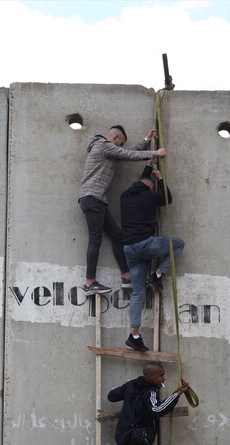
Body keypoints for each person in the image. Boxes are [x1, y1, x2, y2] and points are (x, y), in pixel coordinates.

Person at [78, 125, 166, 296]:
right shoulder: (102, 145)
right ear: (115, 138)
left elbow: (129, 152)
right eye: (121, 143)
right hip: (91, 198)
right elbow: (128, 154)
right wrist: (156, 153)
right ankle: (90, 282)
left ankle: (126, 277)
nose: (121, 146)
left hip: (98, 201)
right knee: (95, 240)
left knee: (118, 236)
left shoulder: (109, 150)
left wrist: (146, 140)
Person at [120, 160, 184, 352]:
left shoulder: (125, 196)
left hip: (129, 249)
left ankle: (134, 334)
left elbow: (142, 181)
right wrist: (161, 179)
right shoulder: (148, 197)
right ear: (149, 188)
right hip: (146, 244)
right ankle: (157, 274)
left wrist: (148, 167)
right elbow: (167, 199)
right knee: (179, 244)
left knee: (138, 292)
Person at [108, 361, 190, 445]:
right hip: (138, 443)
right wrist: (178, 393)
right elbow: (157, 409)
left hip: (123, 440)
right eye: (161, 375)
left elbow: (111, 396)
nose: (164, 378)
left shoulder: (131, 385)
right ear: (150, 376)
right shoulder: (150, 392)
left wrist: (128, 390)